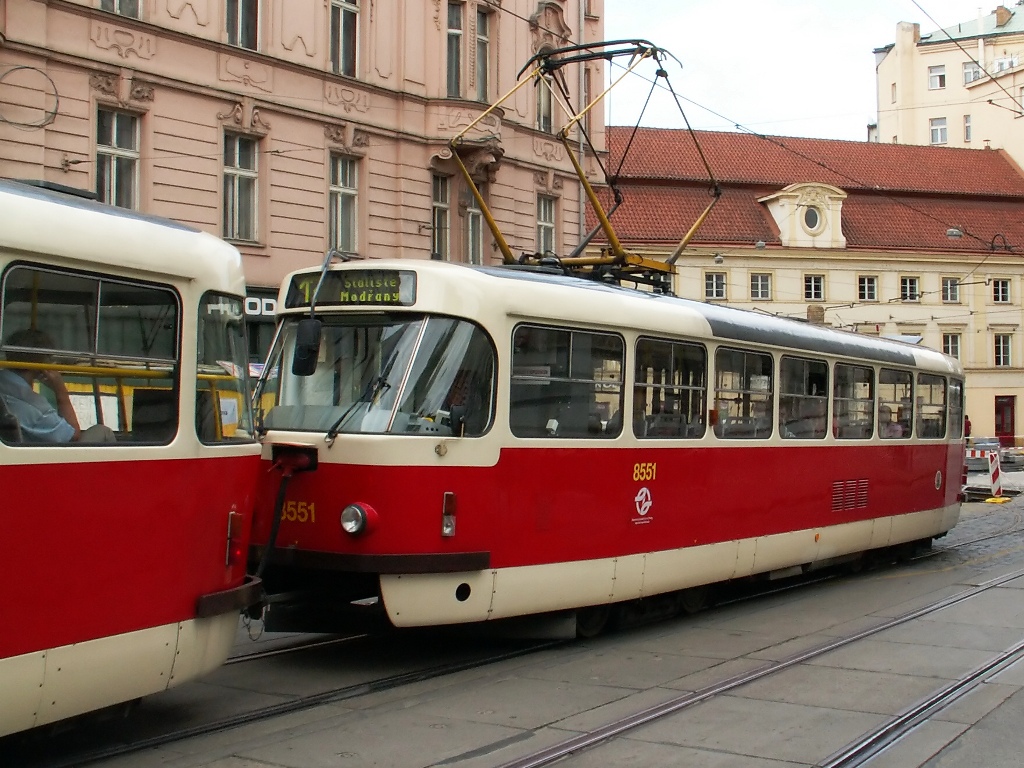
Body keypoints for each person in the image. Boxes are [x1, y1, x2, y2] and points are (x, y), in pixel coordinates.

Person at [0, 328, 114, 443]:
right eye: (49, 358)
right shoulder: (32, 405)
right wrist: (61, 392)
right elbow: (72, 435)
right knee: (103, 431)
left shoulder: (5, 384)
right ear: (41, 362)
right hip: (39, 457)